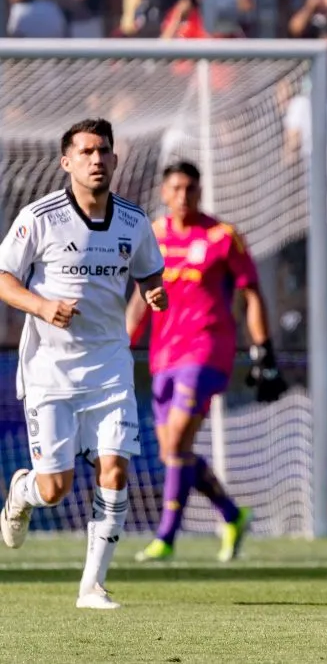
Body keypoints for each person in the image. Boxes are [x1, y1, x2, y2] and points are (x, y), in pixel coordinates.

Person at [0, 118, 167, 609]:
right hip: (50, 368)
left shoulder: (134, 221)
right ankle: (23, 491)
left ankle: (91, 586)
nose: (97, 160)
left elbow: (149, 272)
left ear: (116, 160)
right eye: (87, 152)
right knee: (55, 487)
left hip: (111, 365)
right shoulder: (40, 217)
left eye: (104, 151)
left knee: (114, 470)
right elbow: (3, 277)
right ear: (66, 161)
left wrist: (153, 291)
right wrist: (40, 305)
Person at [127, 161, 285, 563]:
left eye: (191, 189)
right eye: (176, 188)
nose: (183, 196)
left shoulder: (222, 236)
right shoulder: (153, 236)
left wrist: (262, 349)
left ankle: (165, 537)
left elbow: (251, 293)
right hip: (163, 354)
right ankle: (233, 515)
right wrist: (121, 344)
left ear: (200, 192)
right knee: (172, 452)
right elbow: (140, 297)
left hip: (207, 350)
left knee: (178, 439)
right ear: (164, 193)